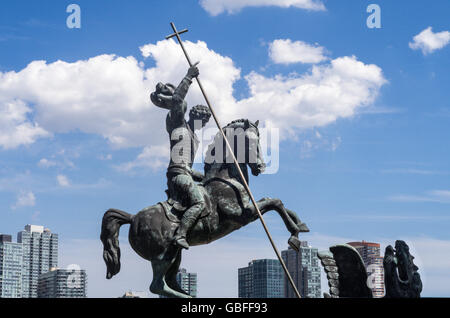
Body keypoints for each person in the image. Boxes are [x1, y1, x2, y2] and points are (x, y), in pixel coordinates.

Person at [150, 63, 212, 249]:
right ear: (194, 115)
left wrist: (207, 176)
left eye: (206, 121)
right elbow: (178, 100)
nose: (204, 123)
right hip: (177, 175)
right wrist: (189, 76)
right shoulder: (178, 124)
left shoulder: (195, 138)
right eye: (202, 119)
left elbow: (188, 166)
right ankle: (181, 235)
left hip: (185, 173)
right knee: (199, 203)